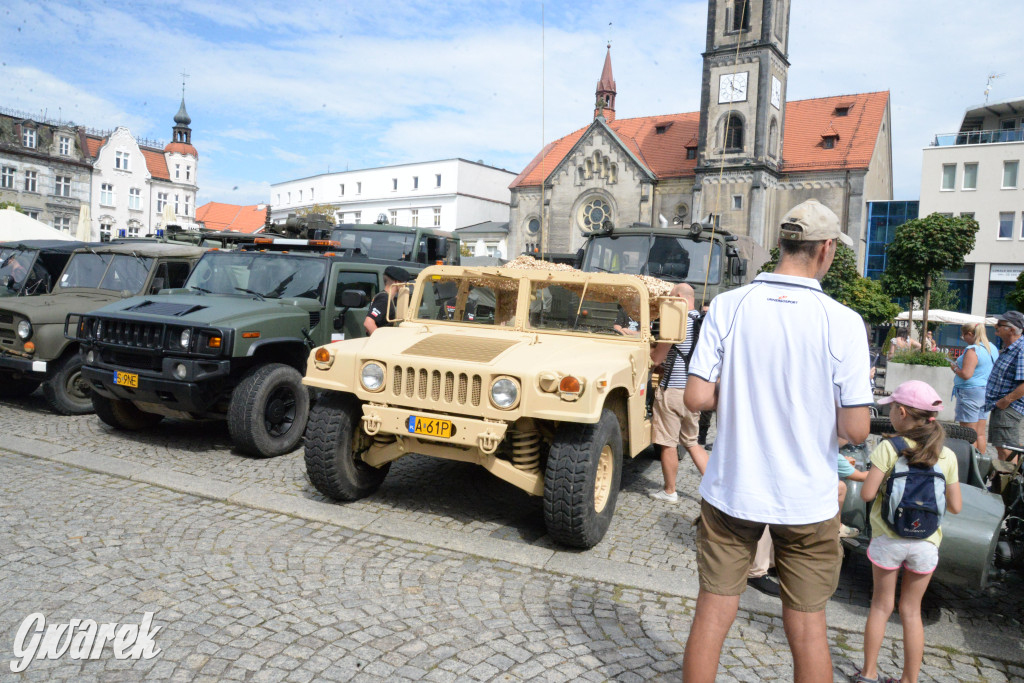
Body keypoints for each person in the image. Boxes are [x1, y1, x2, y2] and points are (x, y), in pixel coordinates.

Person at [682, 198, 872, 683]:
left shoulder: (728, 304)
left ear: (783, 245)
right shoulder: (844, 321)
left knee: (712, 615)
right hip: (806, 498)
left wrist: (747, 390)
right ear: (826, 249)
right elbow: (854, 431)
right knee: (808, 629)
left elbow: (698, 397)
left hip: (733, 489)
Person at [853, 380, 962, 683]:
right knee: (911, 612)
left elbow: (867, 494)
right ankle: (909, 680)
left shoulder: (889, 448)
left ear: (901, 412)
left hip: (888, 539)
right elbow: (955, 506)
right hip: (926, 543)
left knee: (880, 606)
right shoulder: (947, 456)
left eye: (891, 408)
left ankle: (869, 673)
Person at [649, 283, 707, 502]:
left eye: (672, 296)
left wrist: (653, 354)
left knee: (668, 442)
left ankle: (670, 491)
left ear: (680, 297)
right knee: (692, 442)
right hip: (693, 390)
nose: (669, 300)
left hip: (673, 390)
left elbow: (656, 358)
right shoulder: (703, 321)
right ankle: (714, 490)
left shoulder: (676, 321)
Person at [950, 322, 999, 455]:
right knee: (980, 434)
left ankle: (970, 467)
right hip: (985, 391)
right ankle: (981, 465)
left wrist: (954, 367)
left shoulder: (973, 349)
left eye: (963, 335)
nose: (963, 338)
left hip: (970, 392)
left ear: (970, 334)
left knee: (968, 435)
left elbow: (966, 374)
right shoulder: (991, 348)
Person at [985, 310, 1024, 462]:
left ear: (1012, 330)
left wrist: (1005, 401)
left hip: (1008, 409)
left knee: (1007, 451)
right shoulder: (1010, 348)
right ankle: (1003, 481)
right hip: (1001, 408)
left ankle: (1010, 483)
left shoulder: (1021, 349)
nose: (996, 327)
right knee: (1002, 448)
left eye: (1000, 325)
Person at [364, 266, 411, 335]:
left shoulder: (385, 297)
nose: (405, 285)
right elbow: (368, 322)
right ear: (397, 282)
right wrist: (380, 341)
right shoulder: (384, 299)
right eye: (404, 282)